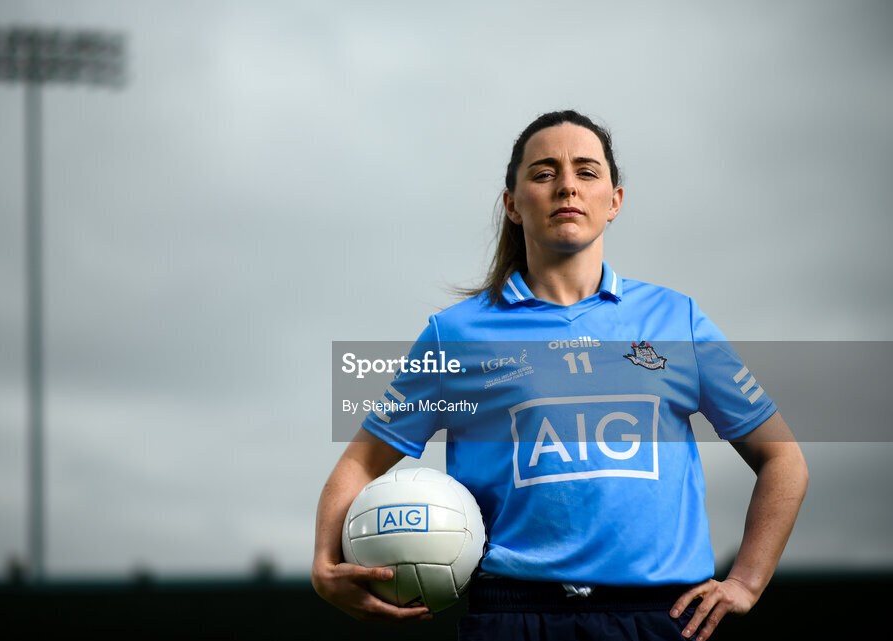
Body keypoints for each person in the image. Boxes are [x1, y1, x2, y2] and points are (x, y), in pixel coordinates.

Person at [312, 110, 808, 641]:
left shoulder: (676, 320)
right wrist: (324, 563)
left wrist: (747, 583)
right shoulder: (454, 335)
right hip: (513, 616)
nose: (567, 185)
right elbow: (362, 461)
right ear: (513, 204)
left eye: (586, 172)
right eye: (545, 172)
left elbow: (782, 458)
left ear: (614, 201)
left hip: (663, 617)